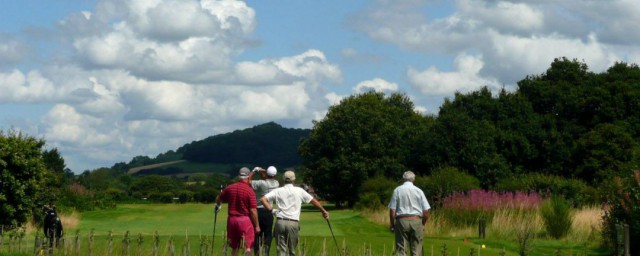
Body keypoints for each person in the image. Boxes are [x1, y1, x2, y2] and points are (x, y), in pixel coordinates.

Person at [260, 170, 329, 256]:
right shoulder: (299, 190)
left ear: (284, 179)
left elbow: (263, 199)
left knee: (281, 252)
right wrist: (323, 211)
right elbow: (313, 201)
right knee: (291, 251)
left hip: (280, 222)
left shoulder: (278, 190)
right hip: (293, 223)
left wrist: (272, 210)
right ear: (294, 180)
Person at [215, 167, 261, 256]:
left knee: (234, 247)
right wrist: (257, 226)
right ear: (248, 177)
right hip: (244, 220)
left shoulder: (229, 188)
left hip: (231, 220)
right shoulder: (249, 190)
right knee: (248, 247)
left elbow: (219, 198)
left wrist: (218, 205)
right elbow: (253, 210)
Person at [388, 171, 431, 256]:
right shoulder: (419, 191)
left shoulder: (397, 190)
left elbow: (392, 210)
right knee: (417, 250)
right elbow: (426, 211)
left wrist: (392, 225)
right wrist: (423, 223)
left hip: (401, 221)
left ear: (403, 179)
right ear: (413, 180)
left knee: (401, 249)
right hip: (416, 220)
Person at [250, 166, 280, 255]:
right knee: (267, 234)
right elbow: (266, 179)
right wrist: (264, 172)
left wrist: (254, 171)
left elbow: (248, 181)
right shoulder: (277, 183)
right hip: (269, 211)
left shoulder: (260, 183)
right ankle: (266, 253)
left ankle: (257, 253)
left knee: (257, 234)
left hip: (258, 211)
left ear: (267, 174)